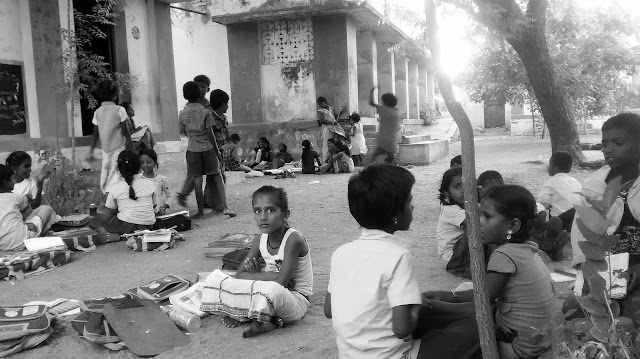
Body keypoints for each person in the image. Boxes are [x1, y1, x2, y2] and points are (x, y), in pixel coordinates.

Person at [325, 164, 479, 359]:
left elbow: (329, 310)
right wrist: (414, 306)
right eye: (409, 202)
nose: (413, 207)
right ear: (395, 215)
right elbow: (402, 329)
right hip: (396, 356)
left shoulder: (341, 253)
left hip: (349, 355)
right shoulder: (398, 256)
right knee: (475, 329)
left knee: (436, 313)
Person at [424, 185, 556, 359]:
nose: (479, 221)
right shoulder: (527, 249)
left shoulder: (504, 255)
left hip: (516, 348)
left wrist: (438, 300)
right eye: (479, 214)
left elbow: (480, 301)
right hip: (536, 342)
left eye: (486, 216)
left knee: (461, 330)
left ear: (513, 225)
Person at [199, 185, 313, 338]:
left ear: (285, 214)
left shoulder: (293, 239)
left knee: (272, 291)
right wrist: (266, 276)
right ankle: (265, 318)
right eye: (257, 211)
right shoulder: (260, 239)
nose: (263, 217)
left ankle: (253, 317)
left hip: (294, 299)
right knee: (215, 282)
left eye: (270, 210)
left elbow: (280, 285)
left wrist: (259, 276)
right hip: (267, 288)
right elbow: (240, 274)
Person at [570, 113, 640, 321]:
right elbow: (579, 236)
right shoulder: (594, 186)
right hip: (602, 273)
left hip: (636, 274)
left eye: (618, 143)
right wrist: (587, 273)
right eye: (605, 143)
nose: (608, 149)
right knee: (575, 315)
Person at [176, 81, 235, 219]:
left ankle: (200, 211)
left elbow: (182, 131)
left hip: (193, 149)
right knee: (217, 176)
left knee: (197, 180)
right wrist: (217, 151)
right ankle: (224, 207)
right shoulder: (205, 112)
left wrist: (194, 137)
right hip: (208, 148)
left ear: (185, 96)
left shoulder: (182, 114)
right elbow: (210, 133)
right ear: (199, 95)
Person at [92, 150, 156, 235]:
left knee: (95, 220)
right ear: (139, 166)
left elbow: (110, 210)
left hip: (125, 226)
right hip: (148, 225)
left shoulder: (115, 187)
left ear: (119, 169)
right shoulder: (150, 183)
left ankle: (107, 234)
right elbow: (155, 205)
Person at [88, 79, 134, 194]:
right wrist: (132, 149)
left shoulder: (98, 112)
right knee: (118, 173)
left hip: (106, 149)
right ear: (115, 95)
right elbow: (126, 132)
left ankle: (107, 195)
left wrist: (91, 150)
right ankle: (116, 197)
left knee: (106, 172)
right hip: (119, 147)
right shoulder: (120, 110)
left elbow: (95, 134)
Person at [0, 164, 57, 251]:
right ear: (5, 182)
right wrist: (28, 196)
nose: (14, 182)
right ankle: (37, 232)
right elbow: (30, 202)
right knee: (46, 209)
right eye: (11, 179)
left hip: (2, 245)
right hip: (24, 240)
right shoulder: (15, 197)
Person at [539, 151, 582, 232]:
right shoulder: (576, 182)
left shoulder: (550, 182)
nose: (548, 167)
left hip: (559, 220)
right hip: (575, 218)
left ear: (556, 168)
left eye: (550, 165)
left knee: (544, 214)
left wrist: (548, 205)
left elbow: (543, 199)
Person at [436, 167, 466, 262]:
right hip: (451, 256)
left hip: (461, 250)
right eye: (457, 187)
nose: (463, 190)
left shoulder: (465, 204)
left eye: (467, 185)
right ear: (447, 193)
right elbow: (474, 223)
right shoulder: (449, 210)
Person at [368, 88, 402, 164]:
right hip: (392, 140)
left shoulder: (383, 109)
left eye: (383, 101)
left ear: (386, 102)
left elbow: (371, 103)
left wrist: (372, 91)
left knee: (373, 157)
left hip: (382, 140)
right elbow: (398, 127)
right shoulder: (396, 112)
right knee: (391, 159)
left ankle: (367, 169)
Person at [139, 148, 172, 215]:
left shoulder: (161, 179)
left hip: (158, 214)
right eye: (142, 162)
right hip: (143, 215)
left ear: (154, 162)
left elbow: (170, 195)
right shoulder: (138, 180)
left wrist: (164, 206)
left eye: (148, 162)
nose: (145, 165)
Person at [316, 97, 346, 162]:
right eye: (319, 104)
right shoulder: (321, 111)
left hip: (334, 128)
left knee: (334, 143)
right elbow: (322, 121)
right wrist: (332, 122)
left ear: (325, 102)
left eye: (321, 103)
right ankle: (325, 160)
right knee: (327, 144)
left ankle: (333, 160)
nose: (320, 105)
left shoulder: (331, 109)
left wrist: (340, 112)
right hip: (327, 128)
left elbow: (334, 117)